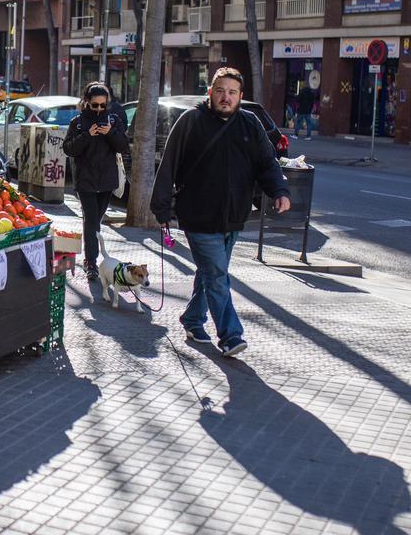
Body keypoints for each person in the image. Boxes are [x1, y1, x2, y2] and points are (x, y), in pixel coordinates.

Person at [150, 67, 291, 357]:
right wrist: (161, 207)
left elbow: (267, 162)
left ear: (240, 96)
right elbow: (169, 164)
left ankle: (192, 318)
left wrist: (279, 191)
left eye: (232, 92)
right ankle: (230, 335)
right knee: (216, 275)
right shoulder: (191, 120)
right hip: (198, 215)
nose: (226, 97)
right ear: (210, 92)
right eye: (220, 91)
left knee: (211, 272)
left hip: (234, 216)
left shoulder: (250, 123)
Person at [63, 82, 129, 279]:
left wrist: (110, 133)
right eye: (95, 105)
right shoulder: (78, 122)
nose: (99, 109)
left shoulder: (114, 120)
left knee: (95, 221)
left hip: (107, 180)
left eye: (103, 105)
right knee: (91, 221)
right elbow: (68, 149)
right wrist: (86, 136)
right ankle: (91, 262)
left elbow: (123, 147)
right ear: (87, 103)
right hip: (86, 181)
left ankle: (91, 257)